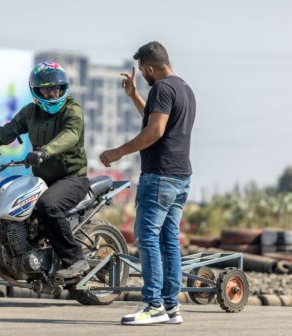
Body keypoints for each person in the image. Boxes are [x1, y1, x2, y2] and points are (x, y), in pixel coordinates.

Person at [0, 61, 90, 279]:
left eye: (56, 87)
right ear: (36, 91)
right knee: (12, 208)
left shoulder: (72, 110)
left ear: (63, 88)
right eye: (46, 88)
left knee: (48, 205)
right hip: (43, 180)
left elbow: (70, 135)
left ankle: (75, 259)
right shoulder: (31, 112)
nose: (52, 92)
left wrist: (45, 151)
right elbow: (3, 133)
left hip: (72, 178)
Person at [100, 41, 195, 325]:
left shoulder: (161, 89)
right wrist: (134, 96)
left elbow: (155, 130)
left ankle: (153, 305)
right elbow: (158, 120)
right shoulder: (185, 89)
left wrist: (117, 152)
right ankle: (171, 307)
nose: (142, 76)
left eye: (143, 71)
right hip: (181, 176)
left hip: (160, 175)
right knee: (169, 242)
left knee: (148, 238)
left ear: (150, 67)